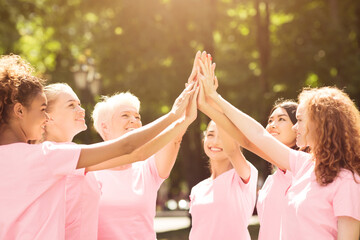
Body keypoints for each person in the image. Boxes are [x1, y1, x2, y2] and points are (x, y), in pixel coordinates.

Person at [0, 54, 197, 239]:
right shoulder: (46, 156)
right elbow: (130, 149)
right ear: (19, 111)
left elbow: (136, 153)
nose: (45, 118)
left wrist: (181, 122)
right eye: (42, 110)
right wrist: (174, 116)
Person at [197, 51, 360, 239]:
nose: (296, 126)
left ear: (320, 124)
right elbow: (256, 136)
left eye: (298, 120)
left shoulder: (348, 181)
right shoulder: (305, 164)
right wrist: (213, 98)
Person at [90, 91, 189, 240]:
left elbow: (175, 137)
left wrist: (190, 98)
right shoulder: (88, 171)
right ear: (105, 127)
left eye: (137, 117)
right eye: (125, 115)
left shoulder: (147, 167)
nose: (134, 120)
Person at [188, 120, 258, 240]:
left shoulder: (243, 177)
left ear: (237, 143)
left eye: (223, 136)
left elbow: (233, 152)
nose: (215, 142)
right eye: (210, 135)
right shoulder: (198, 189)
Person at [256, 100, 298, 240]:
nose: (272, 125)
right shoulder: (269, 182)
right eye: (270, 120)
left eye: (281, 119)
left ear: (298, 126)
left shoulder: (305, 171)